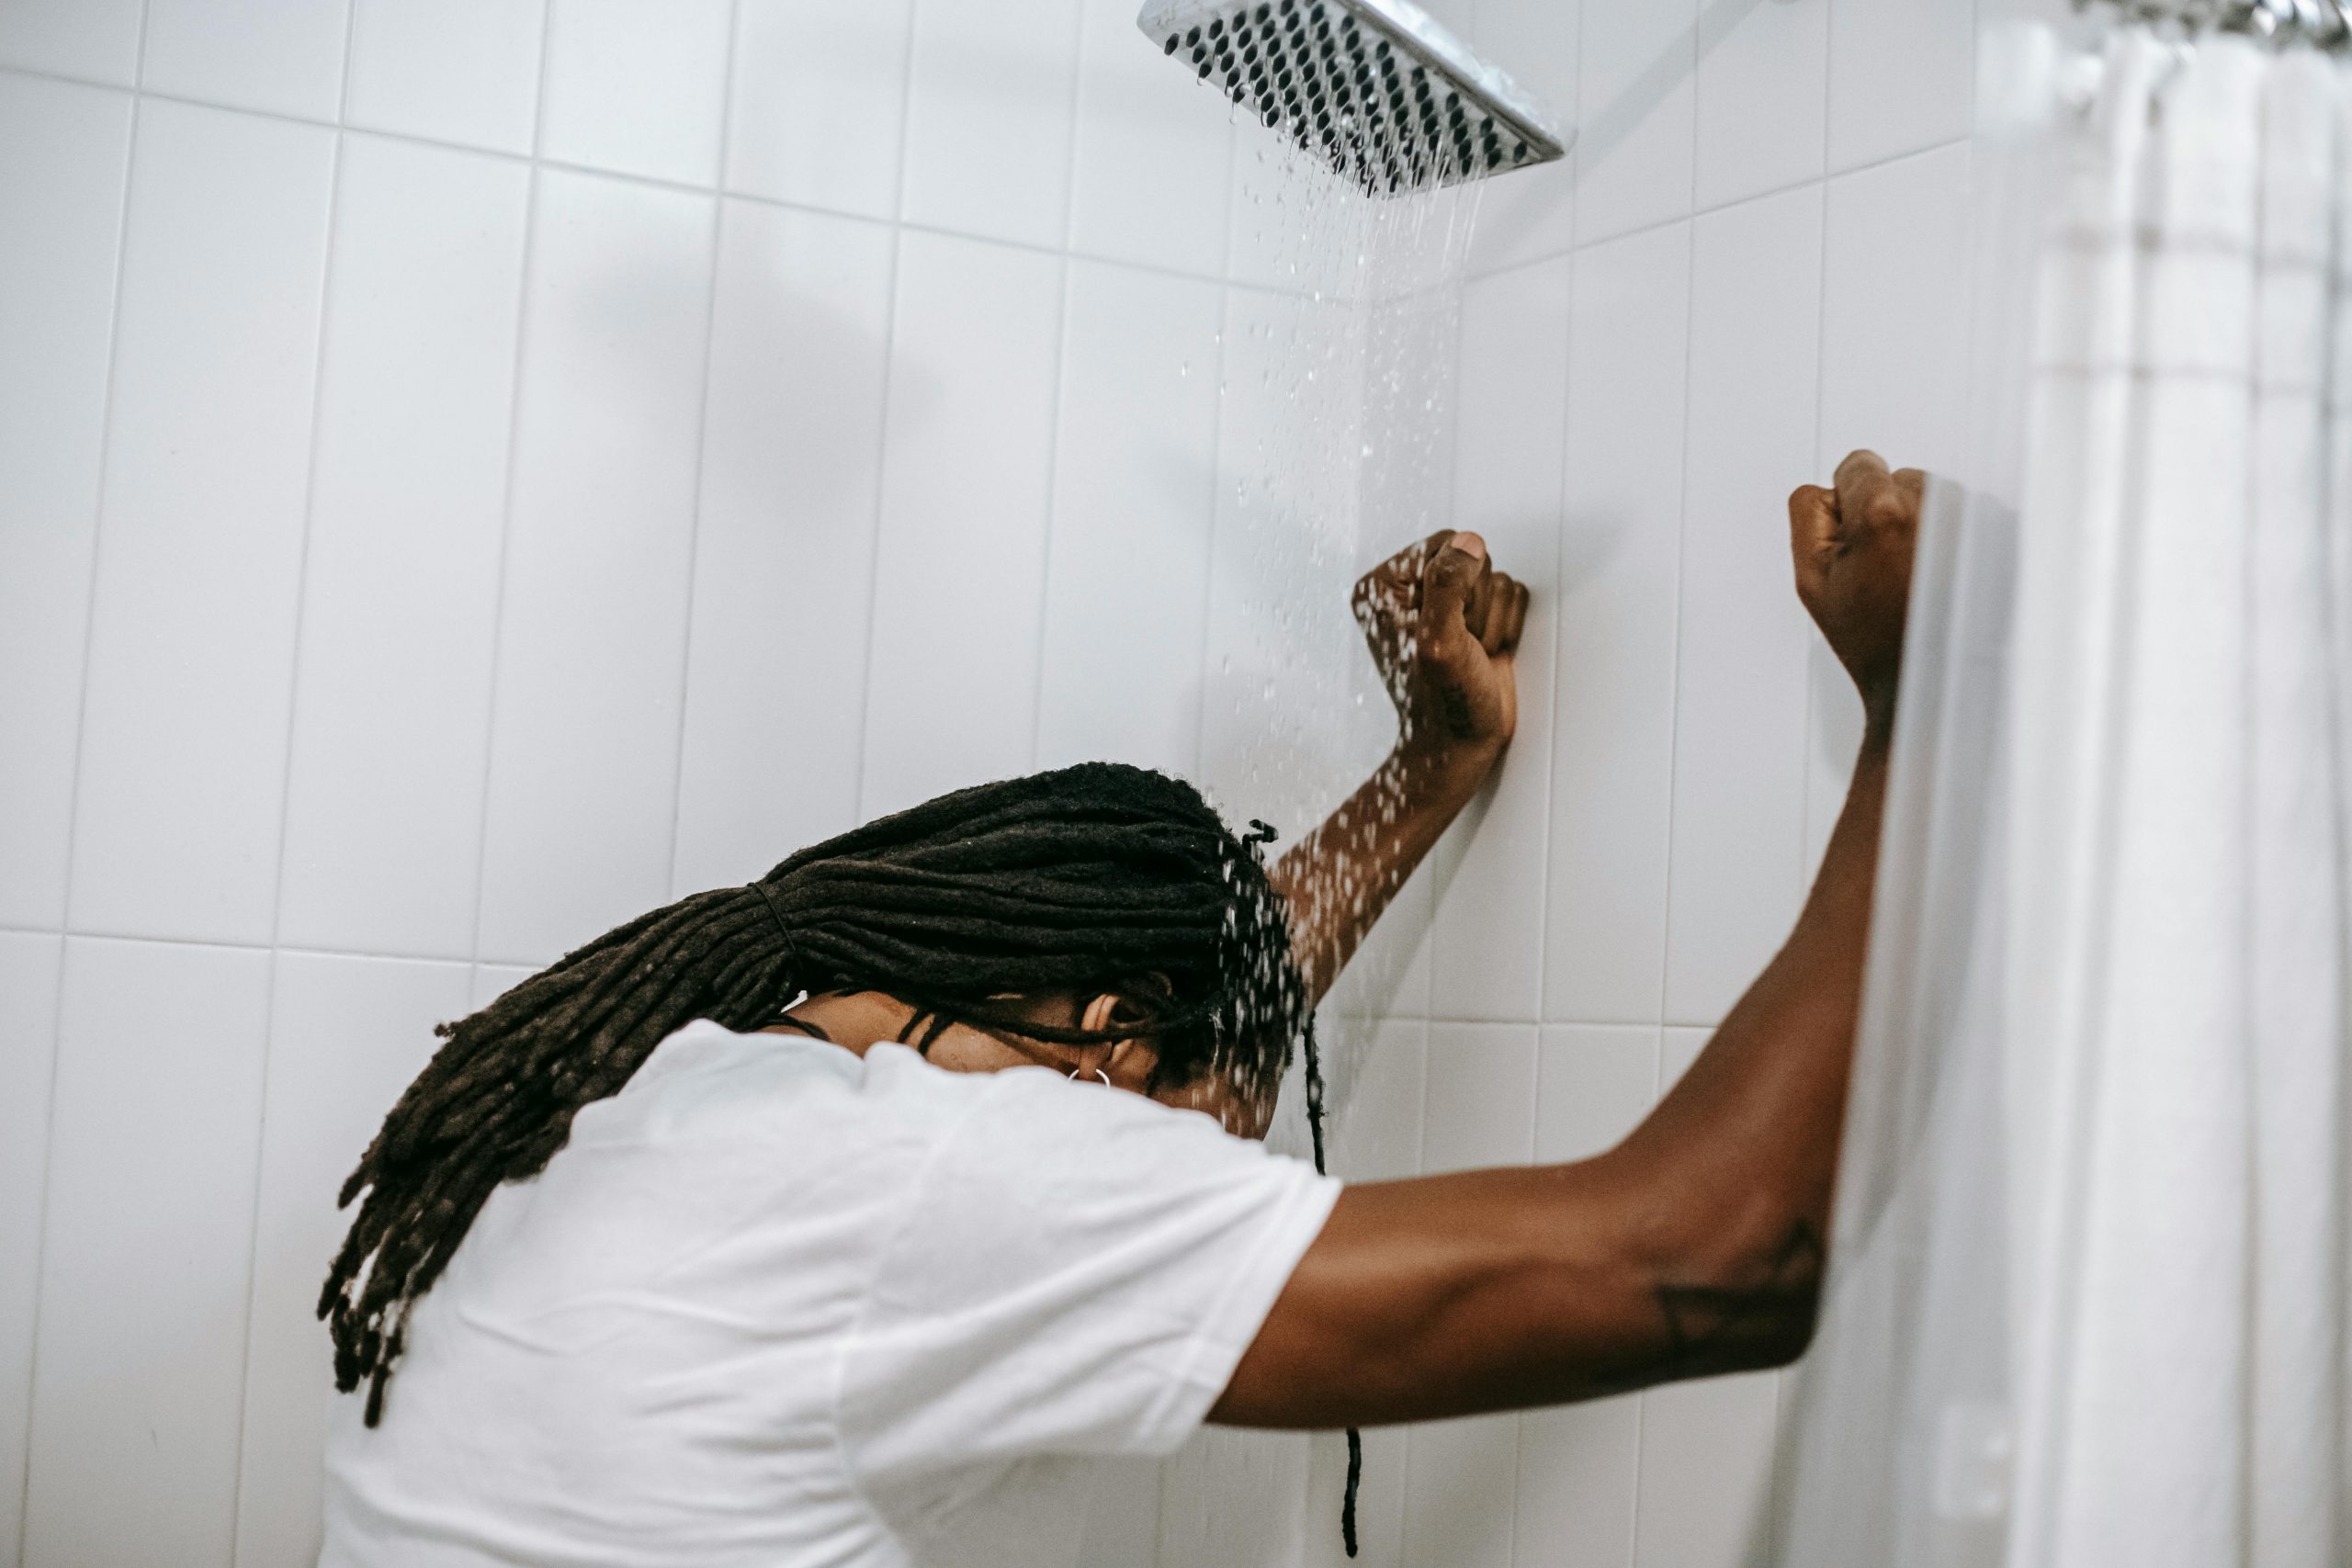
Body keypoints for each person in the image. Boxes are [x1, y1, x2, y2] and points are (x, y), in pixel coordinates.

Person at [315, 450, 1921, 1568]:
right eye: (1216, 1116)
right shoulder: (934, 1180)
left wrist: (1425, 775)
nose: (1211, 1156)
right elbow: (1727, 1260)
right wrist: (1921, 710)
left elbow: (1186, 1026)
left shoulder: (699, 1088)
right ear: (1104, 1043)